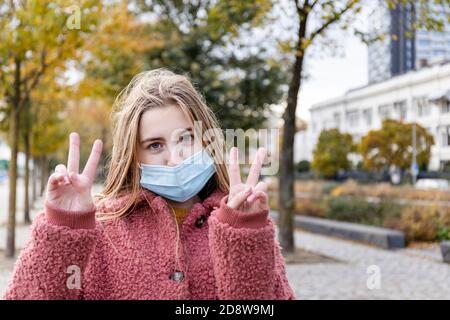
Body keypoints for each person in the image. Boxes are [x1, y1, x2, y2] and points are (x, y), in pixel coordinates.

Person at [4, 69, 295, 300]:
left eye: (185, 138)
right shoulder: (100, 229)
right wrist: (63, 226)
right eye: (155, 145)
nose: (173, 157)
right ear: (133, 156)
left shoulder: (245, 223)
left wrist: (243, 238)